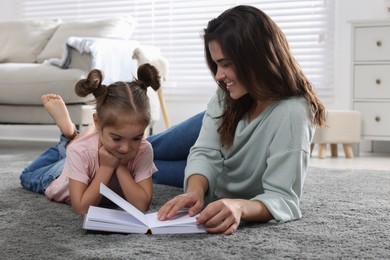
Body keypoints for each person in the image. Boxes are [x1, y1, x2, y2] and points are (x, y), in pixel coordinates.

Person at [149, 5, 326, 235]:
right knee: (142, 148)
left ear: (255, 58)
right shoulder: (227, 94)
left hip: (222, 176)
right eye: (216, 65)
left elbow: (283, 198)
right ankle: (95, 141)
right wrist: (194, 192)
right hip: (217, 137)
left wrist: (240, 206)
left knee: (137, 164)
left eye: (225, 64)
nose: (218, 76)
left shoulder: (293, 113)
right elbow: (205, 151)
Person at [20, 63, 160, 215]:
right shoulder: (80, 152)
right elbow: (81, 208)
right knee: (27, 175)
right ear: (98, 122)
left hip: (84, 153)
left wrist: (119, 165)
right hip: (60, 176)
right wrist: (106, 168)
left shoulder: (144, 149)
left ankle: (73, 137)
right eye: (117, 138)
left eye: (136, 138)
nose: (126, 148)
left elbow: (142, 205)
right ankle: (70, 137)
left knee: (77, 150)